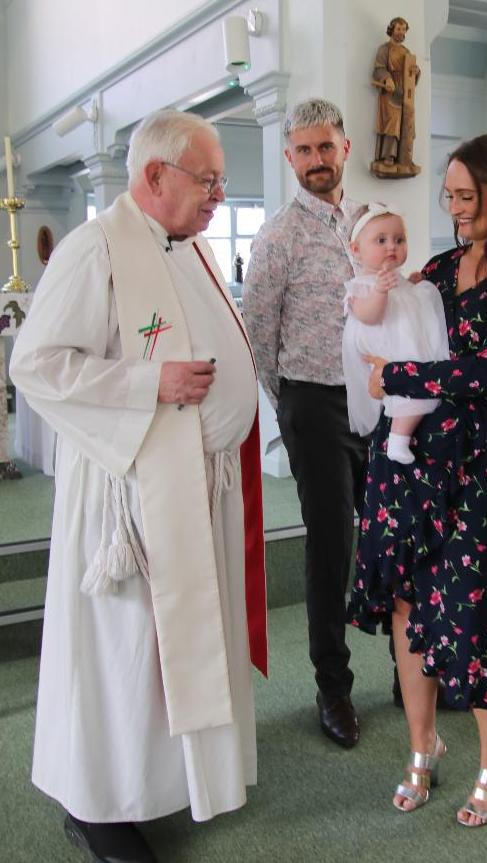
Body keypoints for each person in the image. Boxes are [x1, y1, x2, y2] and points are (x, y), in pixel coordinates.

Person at [10, 109, 267, 863]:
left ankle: (165, 779)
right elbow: (37, 365)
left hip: (197, 484)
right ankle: (99, 806)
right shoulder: (95, 250)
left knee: (172, 648)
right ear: (156, 176)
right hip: (130, 498)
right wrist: (149, 381)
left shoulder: (184, 245)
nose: (220, 192)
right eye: (209, 178)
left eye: (222, 179)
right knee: (125, 648)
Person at [347, 133, 487, 826]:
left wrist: (400, 377)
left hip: (479, 464)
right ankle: (422, 746)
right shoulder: (438, 266)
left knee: (473, 609)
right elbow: (382, 327)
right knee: (408, 604)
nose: (454, 208)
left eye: (466, 196)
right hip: (410, 459)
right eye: (448, 195)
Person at [243, 98, 368, 749]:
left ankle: (411, 667)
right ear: (288, 157)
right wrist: (290, 403)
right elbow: (257, 335)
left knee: (396, 530)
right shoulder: (277, 236)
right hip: (312, 404)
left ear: (344, 148)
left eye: (325, 147)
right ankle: (333, 686)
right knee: (330, 545)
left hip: (376, 401)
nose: (316, 161)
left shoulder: (368, 222)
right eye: (303, 150)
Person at [342, 202, 449, 463]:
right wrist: (380, 292)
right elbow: (369, 316)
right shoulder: (361, 286)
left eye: (399, 240)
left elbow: (409, 309)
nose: (392, 246)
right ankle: (398, 441)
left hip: (406, 347)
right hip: (386, 349)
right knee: (408, 397)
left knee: (421, 394)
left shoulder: (397, 280)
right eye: (381, 240)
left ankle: (400, 438)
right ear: (356, 250)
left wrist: (411, 287)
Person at [371, 17, 420, 177]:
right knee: (393, 122)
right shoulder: (384, 49)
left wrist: (416, 72)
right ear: (392, 29)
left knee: (407, 123)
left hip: (404, 93)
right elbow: (378, 69)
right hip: (390, 92)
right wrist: (387, 79)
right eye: (398, 29)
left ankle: (404, 157)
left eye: (404, 29)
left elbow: (411, 77)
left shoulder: (406, 52)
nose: (401, 32)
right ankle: (388, 156)